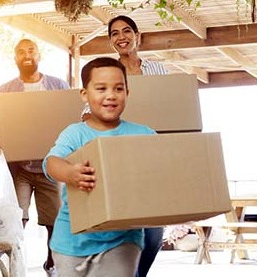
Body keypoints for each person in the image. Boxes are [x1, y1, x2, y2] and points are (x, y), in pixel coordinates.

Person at [42, 57, 158, 276]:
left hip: (122, 241)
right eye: (101, 88)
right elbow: (51, 163)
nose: (111, 95)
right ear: (84, 94)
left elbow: (162, 172)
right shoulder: (75, 133)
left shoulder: (144, 134)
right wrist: (70, 173)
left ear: (128, 92)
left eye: (118, 88)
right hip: (71, 242)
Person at [81, 15, 168, 277]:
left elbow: (170, 108)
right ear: (110, 41)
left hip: (150, 155)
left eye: (127, 31)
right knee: (124, 229)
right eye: (115, 33)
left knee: (153, 235)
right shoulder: (106, 72)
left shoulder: (158, 71)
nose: (121, 37)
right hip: (118, 156)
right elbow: (85, 114)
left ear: (137, 36)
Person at [0, 38, 70, 277]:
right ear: (15, 58)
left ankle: (51, 263)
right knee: (15, 219)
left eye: (31, 50)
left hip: (49, 166)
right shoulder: (3, 92)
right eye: (21, 52)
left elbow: (73, 120)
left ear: (39, 55)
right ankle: (8, 262)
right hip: (18, 168)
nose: (26, 55)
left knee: (54, 220)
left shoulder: (59, 86)